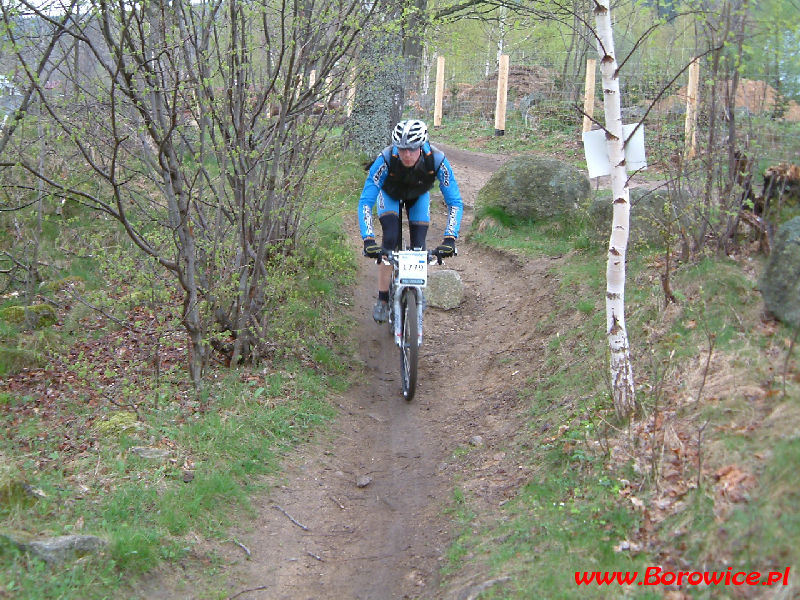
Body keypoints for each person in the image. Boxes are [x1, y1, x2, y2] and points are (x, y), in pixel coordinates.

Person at [357, 119, 464, 323]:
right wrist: (368, 239)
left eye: (413, 149)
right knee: (389, 239)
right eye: (403, 149)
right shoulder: (386, 159)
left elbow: (455, 202)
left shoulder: (438, 159)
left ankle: (416, 294)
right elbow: (365, 201)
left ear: (422, 145)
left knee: (419, 247)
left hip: (418, 196)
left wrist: (450, 238)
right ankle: (382, 299)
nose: (407, 154)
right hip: (389, 195)